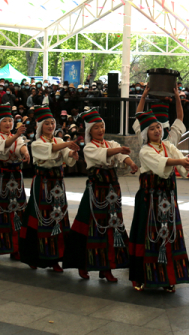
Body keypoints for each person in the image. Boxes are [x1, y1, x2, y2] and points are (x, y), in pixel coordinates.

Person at [128, 110, 189, 292]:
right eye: (152, 129)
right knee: (146, 235)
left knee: (168, 235)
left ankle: (167, 277)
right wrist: (180, 163)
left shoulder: (167, 145)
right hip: (149, 200)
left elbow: (179, 157)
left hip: (167, 199)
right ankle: (141, 276)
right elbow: (163, 162)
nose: (157, 130)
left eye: (158, 127)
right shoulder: (145, 151)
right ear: (146, 133)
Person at [63, 109, 138, 282]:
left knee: (112, 226)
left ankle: (106, 267)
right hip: (95, 192)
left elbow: (121, 155)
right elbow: (105, 154)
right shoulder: (89, 147)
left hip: (112, 191)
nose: (100, 130)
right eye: (96, 127)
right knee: (88, 226)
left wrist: (131, 163)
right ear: (89, 131)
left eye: (101, 126)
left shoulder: (110, 143)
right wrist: (118, 149)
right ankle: (83, 264)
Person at [19, 106, 79, 272]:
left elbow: (65, 154)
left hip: (57, 184)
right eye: (47, 124)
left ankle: (55, 257)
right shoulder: (37, 143)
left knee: (58, 217)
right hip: (43, 184)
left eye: (52, 123)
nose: (51, 126)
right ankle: (34, 256)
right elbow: (50, 150)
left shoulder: (58, 141)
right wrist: (67, 145)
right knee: (39, 217)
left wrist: (72, 154)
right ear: (40, 126)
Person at [0, 104, 30, 258]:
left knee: (17, 211)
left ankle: (15, 248)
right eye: (4, 121)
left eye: (10, 121)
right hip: (1, 177)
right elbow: (4, 146)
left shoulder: (18, 137)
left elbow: (21, 146)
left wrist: (26, 153)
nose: (8, 123)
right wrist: (16, 136)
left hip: (16, 177)